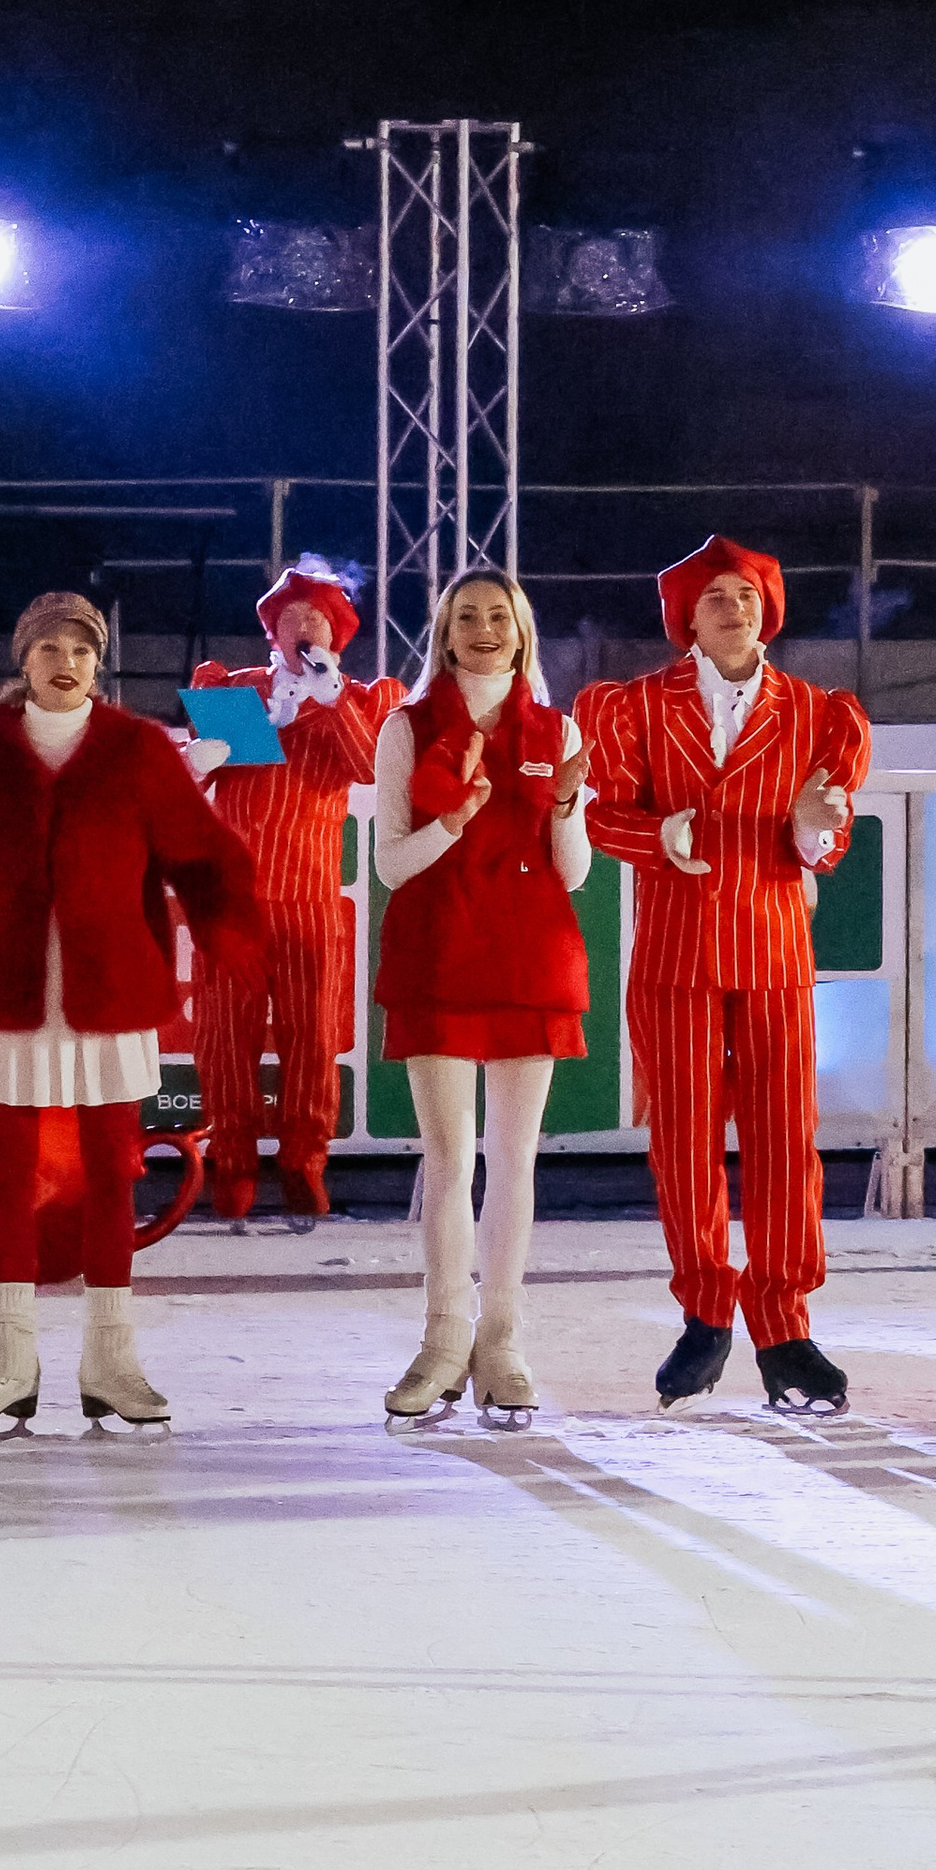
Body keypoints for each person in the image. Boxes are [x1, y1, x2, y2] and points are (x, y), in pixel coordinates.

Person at [0, 589, 260, 1440]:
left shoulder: (137, 749)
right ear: (23, 660)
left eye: (79, 648)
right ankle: (8, 1363)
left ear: (96, 662)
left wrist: (237, 934)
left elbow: (202, 853)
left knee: (112, 1176)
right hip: (5, 997)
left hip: (108, 1000)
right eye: (48, 648)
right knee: (8, 1181)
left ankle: (112, 1361)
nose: (64, 662)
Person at [578, 538, 871, 1415]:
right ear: (687, 621)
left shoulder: (819, 713)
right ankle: (705, 1311)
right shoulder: (636, 707)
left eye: (745, 594)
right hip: (674, 953)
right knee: (684, 1144)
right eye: (715, 598)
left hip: (775, 951)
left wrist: (819, 828)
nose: (733, 608)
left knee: (787, 1140)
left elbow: (828, 842)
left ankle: (783, 1324)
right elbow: (605, 819)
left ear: (766, 610)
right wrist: (662, 837)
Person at [371, 569, 591, 1431]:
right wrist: (451, 824)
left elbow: (572, 871)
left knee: (515, 1158)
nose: (484, 628)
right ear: (445, 633)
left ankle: (502, 1341)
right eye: (467, 617)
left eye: (498, 615)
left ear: (521, 631)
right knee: (449, 1159)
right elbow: (391, 864)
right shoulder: (407, 726)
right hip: (438, 957)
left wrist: (567, 802)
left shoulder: (556, 728)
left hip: (531, 959)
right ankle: (442, 1338)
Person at [186, 555, 404, 1224]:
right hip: (233, 899)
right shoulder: (233, 687)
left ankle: (305, 1169)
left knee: (311, 1040)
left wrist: (332, 697)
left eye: (316, 619)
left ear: (339, 634)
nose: (303, 627)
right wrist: (269, 712)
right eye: (290, 618)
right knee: (225, 1043)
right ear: (270, 632)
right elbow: (204, 763)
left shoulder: (364, 700)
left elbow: (372, 768)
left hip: (311, 897)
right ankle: (234, 1174)